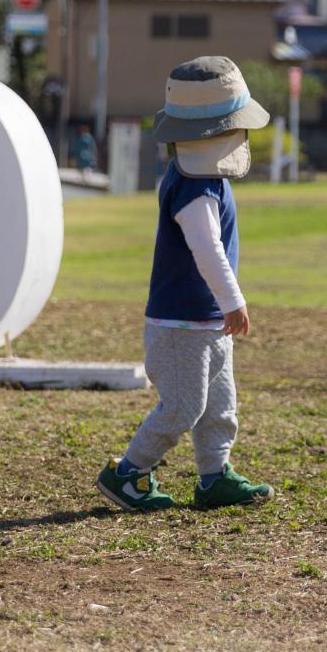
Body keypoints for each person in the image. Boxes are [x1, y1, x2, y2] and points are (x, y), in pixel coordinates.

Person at [97, 56, 275, 513]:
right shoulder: (194, 189)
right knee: (183, 407)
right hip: (181, 326)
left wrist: (223, 310)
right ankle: (127, 473)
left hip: (206, 323)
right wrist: (233, 301)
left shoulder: (205, 177)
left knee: (220, 405)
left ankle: (215, 476)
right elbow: (207, 249)